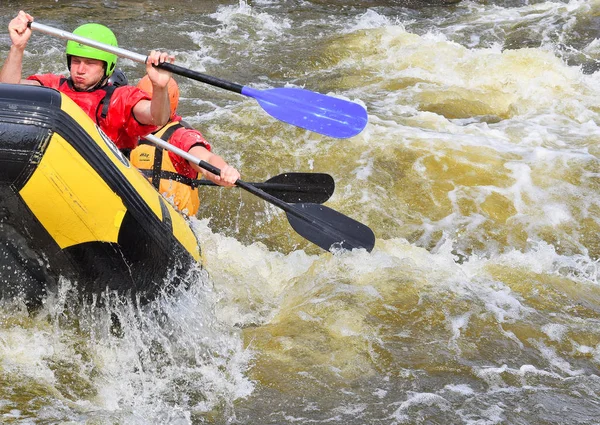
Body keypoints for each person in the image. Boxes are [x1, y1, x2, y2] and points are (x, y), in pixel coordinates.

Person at [0, 11, 173, 150]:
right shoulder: (53, 86)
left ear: (108, 66)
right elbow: (8, 91)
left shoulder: (122, 98)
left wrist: (159, 87)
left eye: (90, 63)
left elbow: (156, 118)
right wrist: (18, 47)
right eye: (76, 61)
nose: (80, 70)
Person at [130, 76, 241, 216]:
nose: (150, 110)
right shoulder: (126, 129)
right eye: (145, 104)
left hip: (171, 219)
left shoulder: (180, 136)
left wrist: (221, 171)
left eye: (156, 104)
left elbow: (206, 158)